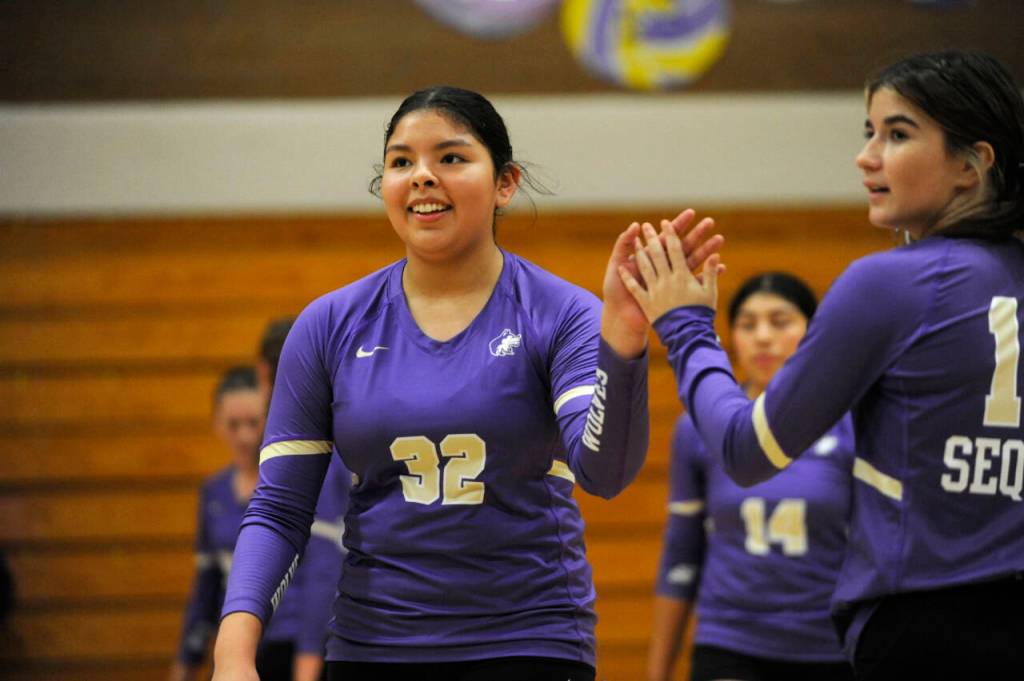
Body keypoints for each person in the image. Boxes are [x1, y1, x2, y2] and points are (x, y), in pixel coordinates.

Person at [210, 85, 720, 681]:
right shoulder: (327, 325)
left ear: (505, 183)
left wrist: (624, 345)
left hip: (529, 644)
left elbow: (605, 474)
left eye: (451, 157)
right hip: (372, 647)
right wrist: (233, 652)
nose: (422, 176)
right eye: (402, 162)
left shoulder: (563, 314)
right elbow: (279, 508)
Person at [620, 50, 1024, 680]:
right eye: (870, 132)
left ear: (972, 165)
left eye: (897, 134)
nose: (867, 157)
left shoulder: (891, 283)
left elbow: (746, 449)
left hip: (920, 627)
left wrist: (687, 326)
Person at [646, 273, 855, 681]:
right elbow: (681, 553)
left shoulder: (851, 422)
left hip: (832, 645)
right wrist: (658, 672)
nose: (762, 337)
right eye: (747, 323)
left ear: (812, 332)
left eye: (780, 321)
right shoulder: (699, 428)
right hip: (731, 643)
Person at [256, 318, 350, 681]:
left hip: (306, 645)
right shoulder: (280, 445)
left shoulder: (316, 447)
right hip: (281, 637)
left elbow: (324, 563)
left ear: (264, 374)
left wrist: (307, 663)